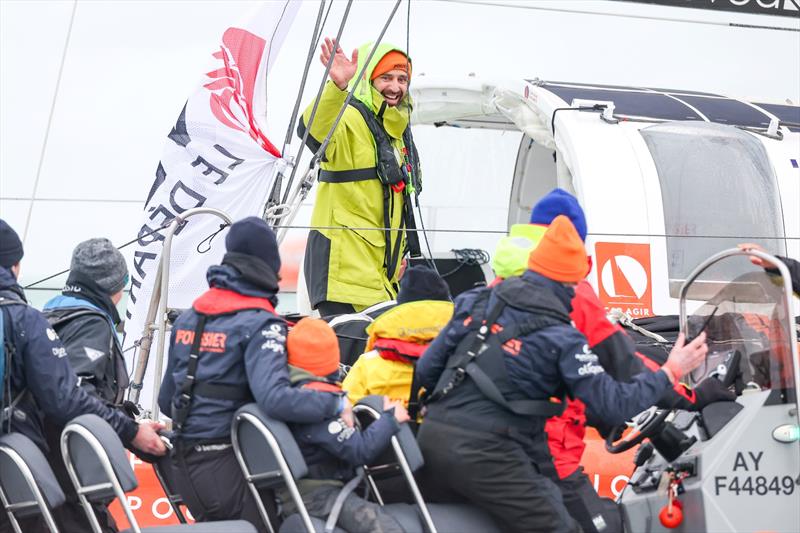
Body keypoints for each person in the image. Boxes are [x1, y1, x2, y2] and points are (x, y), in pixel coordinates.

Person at [415, 216, 709, 533]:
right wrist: (670, 372)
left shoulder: (475, 301)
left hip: (432, 439)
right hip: (488, 454)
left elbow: (427, 368)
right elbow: (612, 404)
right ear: (570, 282)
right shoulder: (561, 337)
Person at [497, 189, 733, 532]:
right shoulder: (570, 288)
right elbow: (625, 364)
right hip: (547, 450)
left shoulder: (502, 283)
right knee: (604, 524)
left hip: (502, 442)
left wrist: (602, 416)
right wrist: (693, 394)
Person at [158, 217, 349, 530]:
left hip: (182, 468)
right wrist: (337, 405)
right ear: (268, 263)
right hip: (229, 468)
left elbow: (168, 401)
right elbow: (275, 399)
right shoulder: (260, 324)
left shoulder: (188, 319)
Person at [0, 219, 166, 533]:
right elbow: (74, 397)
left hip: (19, 474)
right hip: (60, 475)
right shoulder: (66, 323)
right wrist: (130, 430)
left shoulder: (47, 314)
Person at [298, 37, 421, 317]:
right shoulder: (349, 116)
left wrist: (400, 254)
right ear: (368, 78)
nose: (395, 86)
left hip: (379, 279)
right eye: (386, 77)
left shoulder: (395, 133)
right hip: (343, 276)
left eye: (403, 79)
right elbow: (312, 130)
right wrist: (338, 86)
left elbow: (391, 205)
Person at [38, 238, 133, 532]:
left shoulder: (42, 318)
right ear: (116, 287)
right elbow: (79, 393)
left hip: (37, 473)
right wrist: (128, 428)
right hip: (70, 475)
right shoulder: (92, 324)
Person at [282, 317, 408, 533]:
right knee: (382, 526)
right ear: (331, 359)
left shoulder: (294, 394)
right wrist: (390, 418)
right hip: (316, 494)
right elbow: (359, 451)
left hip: (307, 489)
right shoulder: (317, 403)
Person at [343, 265, 452, 418]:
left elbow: (344, 412)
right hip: (450, 438)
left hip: (389, 438)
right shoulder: (466, 358)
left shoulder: (369, 363)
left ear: (399, 310)